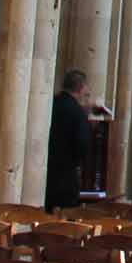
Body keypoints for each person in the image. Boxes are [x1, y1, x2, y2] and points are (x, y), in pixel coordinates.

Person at [45, 70, 91, 211]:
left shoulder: (50, 104)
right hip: (66, 173)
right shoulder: (77, 112)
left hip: (45, 169)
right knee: (66, 215)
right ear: (82, 88)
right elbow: (81, 145)